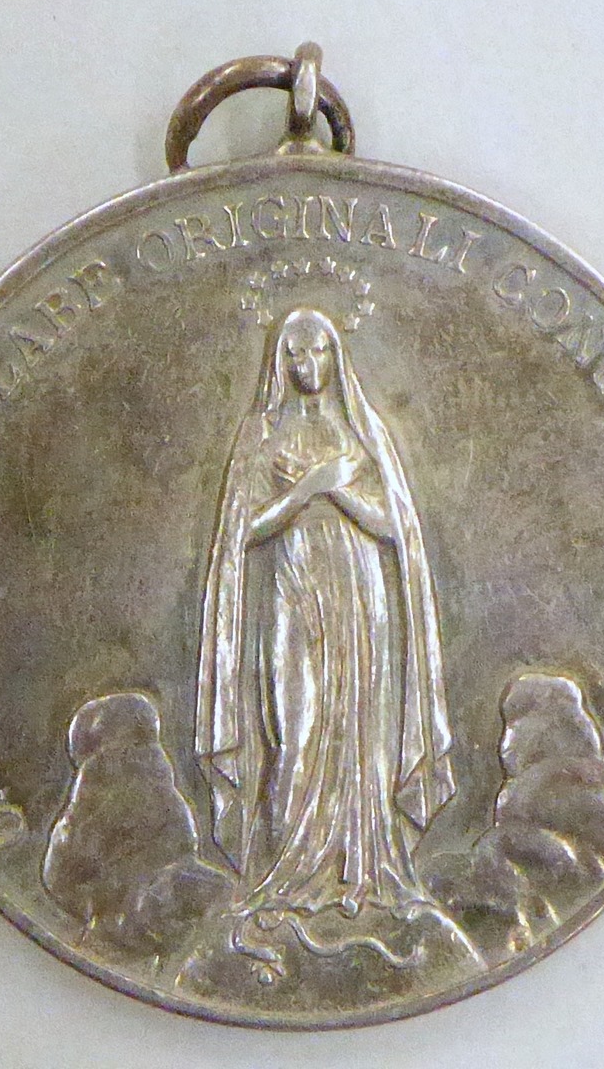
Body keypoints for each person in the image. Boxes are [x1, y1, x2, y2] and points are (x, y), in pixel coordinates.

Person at [195, 308, 456, 954]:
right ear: (278, 363)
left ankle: (356, 876)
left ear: (335, 357)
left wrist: (341, 493)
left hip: (359, 598)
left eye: (316, 351)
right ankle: (285, 877)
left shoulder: (364, 431)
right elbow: (244, 534)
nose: (305, 364)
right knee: (297, 729)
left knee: (358, 733)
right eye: (293, 353)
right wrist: (310, 487)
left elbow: (394, 530)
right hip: (292, 587)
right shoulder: (260, 433)